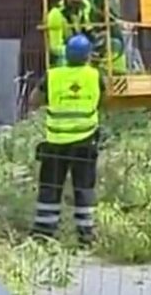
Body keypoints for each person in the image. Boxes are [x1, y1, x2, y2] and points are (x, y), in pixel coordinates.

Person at [27, 34, 105, 245]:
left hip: (56, 142)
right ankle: (86, 236)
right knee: (84, 189)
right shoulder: (94, 75)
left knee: (50, 188)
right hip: (85, 141)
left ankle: (43, 234)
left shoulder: (53, 76)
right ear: (88, 55)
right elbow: (102, 100)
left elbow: (34, 100)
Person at [46, 0, 127, 73]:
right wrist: (79, 52)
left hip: (85, 47)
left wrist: (99, 38)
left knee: (114, 44)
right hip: (68, 55)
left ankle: (117, 77)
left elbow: (88, 29)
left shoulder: (85, 6)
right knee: (62, 61)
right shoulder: (56, 14)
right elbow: (55, 48)